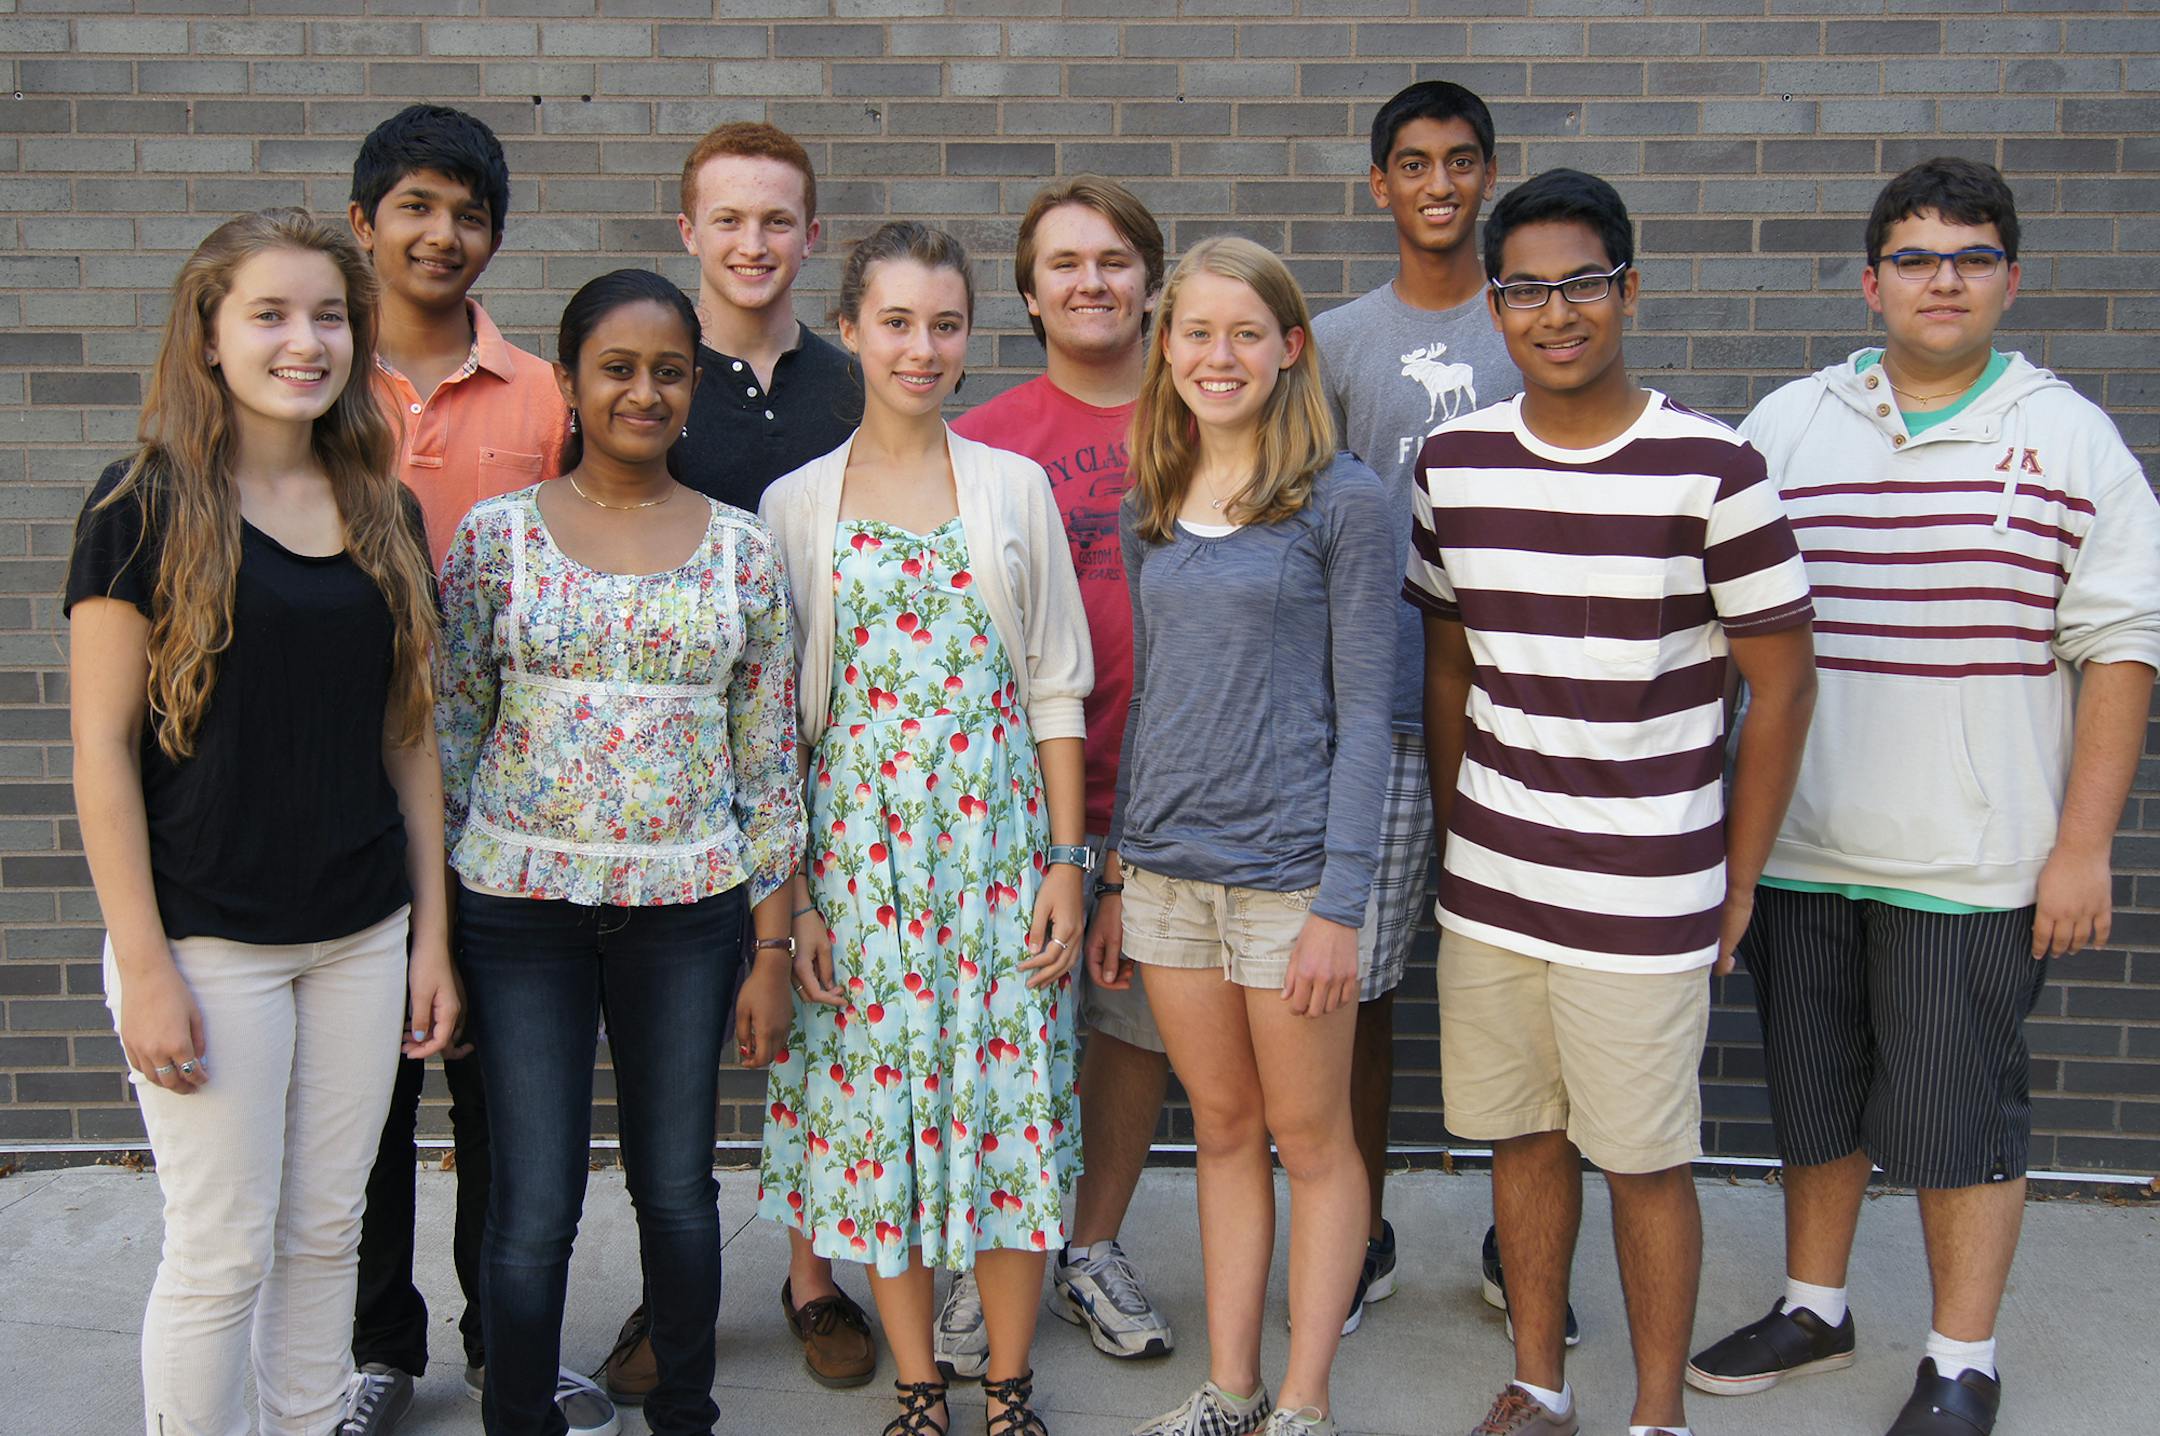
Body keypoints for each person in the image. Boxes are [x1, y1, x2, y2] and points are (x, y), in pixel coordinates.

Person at [1684, 157, 2160, 1436]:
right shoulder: (1789, 423)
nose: (1942, 279)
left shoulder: (2069, 438)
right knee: (1816, 1097)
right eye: (1915, 257)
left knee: (1957, 1118)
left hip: (1975, 857)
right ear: (1869, 281)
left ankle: (1961, 1359)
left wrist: (2083, 845)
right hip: (1800, 847)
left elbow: (2120, 645)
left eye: (1972, 256)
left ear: (2013, 277)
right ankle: (1816, 1302)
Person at [1407, 170, 1818, 1436]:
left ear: (1629, 289)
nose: (1557, 311)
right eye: (1526, 289)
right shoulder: (1453, 464)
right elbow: (1449, 662)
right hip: (1494, 889)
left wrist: (1735, 879)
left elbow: (1785, 687)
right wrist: (1460, 827)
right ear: (1494, 308)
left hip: (1646, 895)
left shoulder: (1716, 468)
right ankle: (1540, 1383)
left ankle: (1654, 1414)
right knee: (1522, 1143)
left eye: (1584, 282)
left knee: (1645, 1158)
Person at [66, 206, 458, 1436]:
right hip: (207, 939)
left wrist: (429, 939)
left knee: (324, 1233)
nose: (307, 340)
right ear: (211, 334)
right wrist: (145, 966)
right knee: (223, 1248)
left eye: (330, 315)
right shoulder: (140, 503)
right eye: (272, 314)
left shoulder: (380, 507)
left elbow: (409, 739)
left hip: (357, 932)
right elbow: (98, 752)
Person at [434, 270, 803, 1436]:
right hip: (517, 912)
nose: (644, 390)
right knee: (533, 1201)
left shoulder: (742, 551)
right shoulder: (497, 540)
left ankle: (682, 1412)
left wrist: (772, 944)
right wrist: (438, 930)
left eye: (670, 369)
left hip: (687, 913)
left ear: (694, 384)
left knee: (680, 1194)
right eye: (618, 367)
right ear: (572, 379)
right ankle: (520, 1415)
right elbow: (448, 735)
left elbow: (769, 761)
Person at [755, 220, 1093, 1436]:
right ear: (849, 329)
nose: (922, 346)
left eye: (945, 324)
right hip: (860, 876)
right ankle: (917, 1385)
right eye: (896, 321)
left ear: (969, 338)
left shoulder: (1012, 485)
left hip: (999, 864)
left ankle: (1006, 1388)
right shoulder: (797, 505)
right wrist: (791, 904)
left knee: (1007, 1119)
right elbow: (776, 731)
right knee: (873, 1121)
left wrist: (1067, 862)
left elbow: (1057, 681)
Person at [338, 103, 602, 1436]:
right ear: (362, 224)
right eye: (416, 208)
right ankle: (376, 1346)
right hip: (345, 794)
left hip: (509, 801)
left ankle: (512, 1343)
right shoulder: (315, 378)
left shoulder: (545, 397)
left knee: (510, 1095)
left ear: (497, 237)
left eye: (469, 214)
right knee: (363, 1097)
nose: (442, 235)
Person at [603, 120, 876, 1402]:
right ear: (688, 231)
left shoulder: (854, 380)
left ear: (810, 237)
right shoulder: (654, 378)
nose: (754, 242)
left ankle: (812, 1277)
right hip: (684, 773)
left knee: (816, 1025)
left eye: (778, 221)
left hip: (847, 758)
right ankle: (676, 1293)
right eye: (730, 220)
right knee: (678, 1042)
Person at [1109, 236, 1396, 1436]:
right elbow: (1155, 693)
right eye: (1194, 333)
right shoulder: (1155, 502)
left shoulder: (1346, 501)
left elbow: (1369, 714)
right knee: (1221, 1131)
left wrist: (1342, 900)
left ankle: (1302, 1399)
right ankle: (1229, 1387)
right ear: (1165, 349)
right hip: (1172, 874)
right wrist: (1120, 866)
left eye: (1243, 333)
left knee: (1310, 1139)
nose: (1216, 356)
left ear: (1291, 348)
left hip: (1289, 882)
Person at [1309, 78, 1541, 1340]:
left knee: (1522, 985)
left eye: (1460, 161)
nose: (1439, 183)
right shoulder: (1340, 342)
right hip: (1384, 711)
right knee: (1367, 990)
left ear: (1489, 173)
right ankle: (1364, 1231)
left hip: (1523, 713)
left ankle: (1527, 1237)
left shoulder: (1541, 328)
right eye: (1413, 162)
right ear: (1381, 184)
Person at [940, 175, 1175, 1375]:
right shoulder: (977, 442)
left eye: (1116, 259)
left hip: (1171, 788)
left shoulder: (1204, 415)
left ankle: (1090, 1242)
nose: (1093, 281)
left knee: (1130, 1027)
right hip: (1015, 799)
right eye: (1065, 263)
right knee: (1009, 1030)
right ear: (1028, 294)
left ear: (1150, 279)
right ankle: (994, 1255)